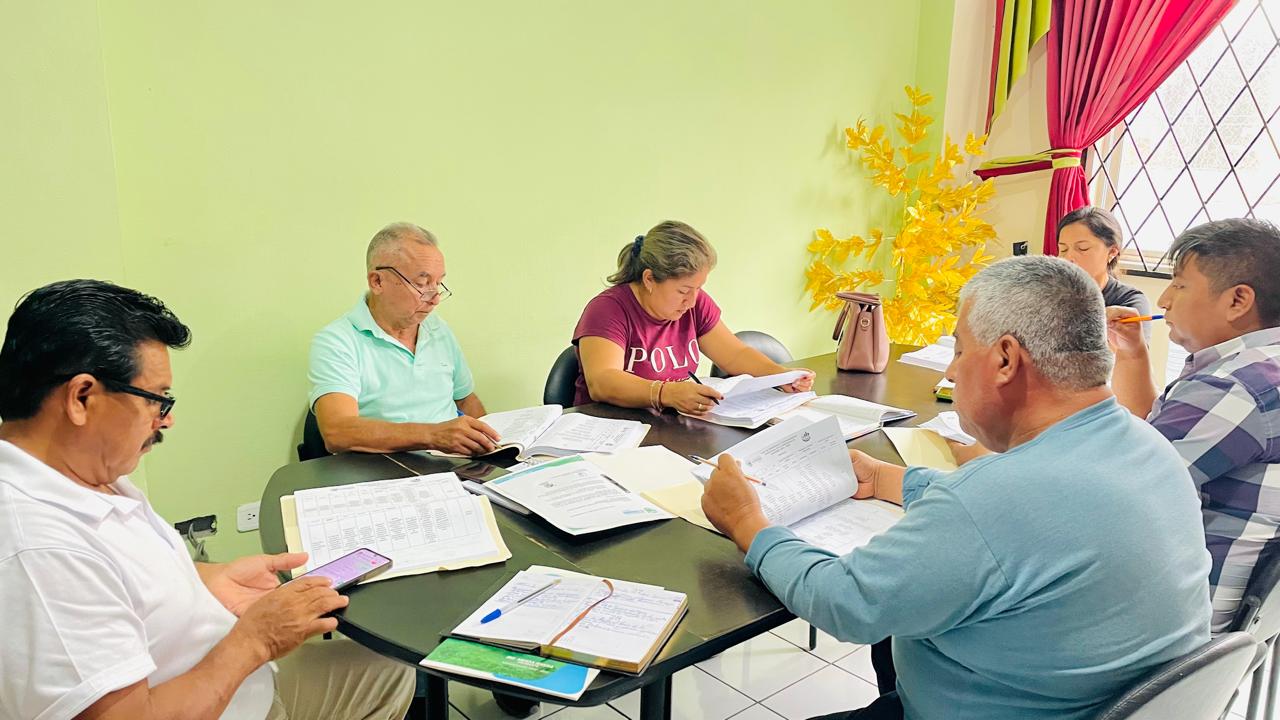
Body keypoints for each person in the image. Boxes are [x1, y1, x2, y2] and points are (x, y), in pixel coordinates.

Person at [701, 257, 1211, 720]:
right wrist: (892, 479)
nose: (950, 369)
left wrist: (748, 522)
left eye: (960, 349)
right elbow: (1020, 524)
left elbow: (844, 602)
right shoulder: (1147, 445)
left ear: (1006, 360)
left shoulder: (996, 498)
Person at [0, 280, 414, 720]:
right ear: (82, 398)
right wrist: (257, 640)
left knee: (391, 672)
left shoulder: (79, 472)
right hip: (224, 696)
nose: (167, 420)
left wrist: (207, 581)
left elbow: (119, 583)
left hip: (238, 678)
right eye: (157, 400)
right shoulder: (40, 550)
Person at [1109, 218, 1280, 634]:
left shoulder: (1236, 387)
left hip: (1180, 621)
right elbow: (1154, 444)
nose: (1164, 300)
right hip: (1238, 624)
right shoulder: (1262, 367)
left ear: (1238, 300)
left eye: (1180, 285)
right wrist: (1132, 356)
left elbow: (1113, 488)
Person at [574, 220, 813, 414]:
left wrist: (779, 376)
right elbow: (603, 381)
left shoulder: (694, 303)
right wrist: (666, 393)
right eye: (683, 291)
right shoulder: (608, 310)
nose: (691, 301)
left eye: (699, 288)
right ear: (649, 279)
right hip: (612, 430)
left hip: (671, 426)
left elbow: (735, 354)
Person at [309, 222, 501, 456]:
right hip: (386, 468)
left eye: (438, 283)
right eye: (422, 283)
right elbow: (338, 432)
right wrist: (433, 436)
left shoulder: (436, 328)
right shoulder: (337, 341)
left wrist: (494, 446)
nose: (434, 298)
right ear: (377, 281)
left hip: (453, 462)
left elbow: (466, 400)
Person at [1057, 205, 1152, 327]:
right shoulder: (1050, 293)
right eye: (1063, 249)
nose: (1068, 258)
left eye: (1083, 248)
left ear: (1112, 252)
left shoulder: (1130, 301)